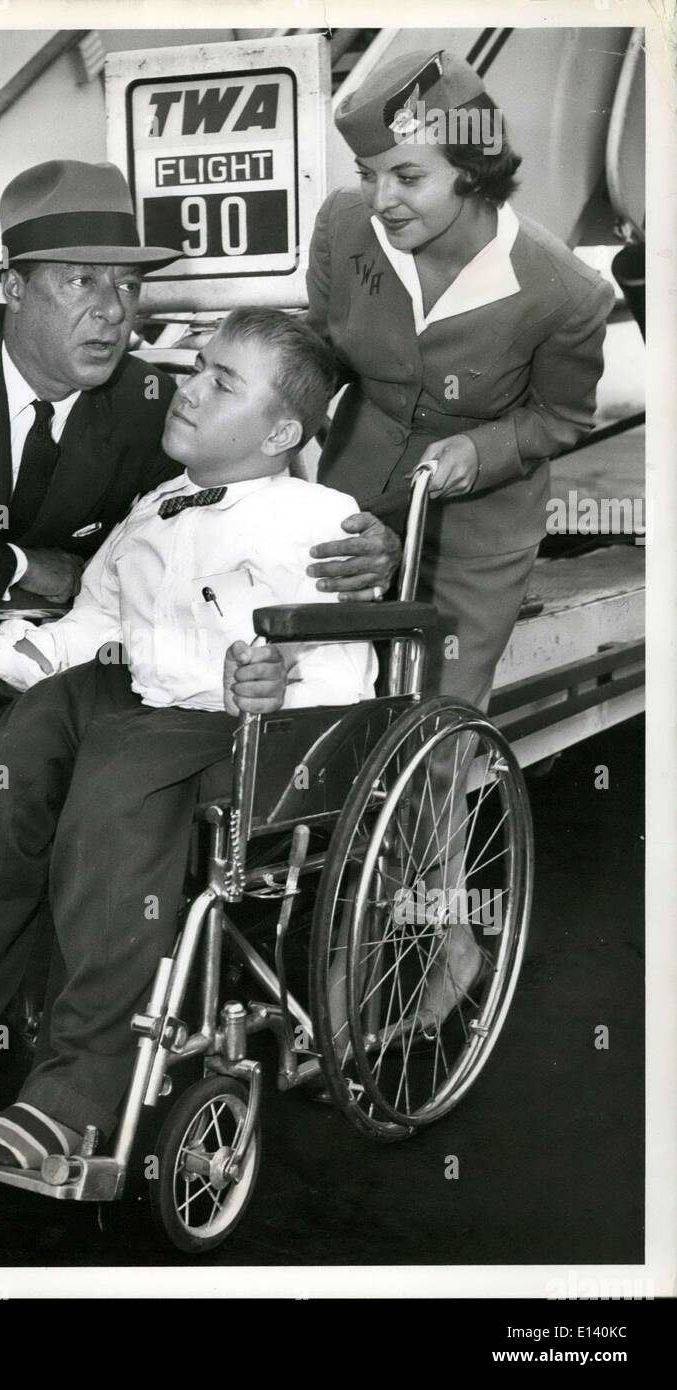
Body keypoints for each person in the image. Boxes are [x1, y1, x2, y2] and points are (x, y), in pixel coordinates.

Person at [0, 160, 399, 944]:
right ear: (15, 287)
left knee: (19, 771)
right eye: (80, 283)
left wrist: (362, 541)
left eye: (126, 288)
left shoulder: (145, 404)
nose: (110, 312)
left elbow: (228, 502)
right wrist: (27, 570)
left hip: (3, 634)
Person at [0, 310, 377, 1169]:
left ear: (280, 431)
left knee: (114, 790)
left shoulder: (317, 520)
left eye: (220, 381)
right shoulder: (153, 508)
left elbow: (344, 667)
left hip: (229, 730)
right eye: (196, 367)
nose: (188, 389)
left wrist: (283, 689)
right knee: (17, 740)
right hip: (125, 696)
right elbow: (88, 629)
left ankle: (80, 1086)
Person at [306, 49, 614, 1023]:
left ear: (473, 173)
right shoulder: (346, 227)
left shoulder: (561, 293)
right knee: (331, 709)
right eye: (369, 174)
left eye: (407, 176)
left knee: (431, 745)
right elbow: (324, 341)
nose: (380, 199)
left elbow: (556, 423)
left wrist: (471, 454)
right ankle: (329, 909)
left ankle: (447, 944)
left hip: (473, 533)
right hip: (351, 505)